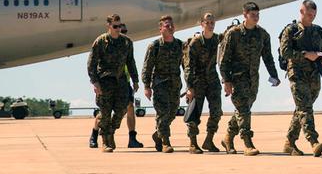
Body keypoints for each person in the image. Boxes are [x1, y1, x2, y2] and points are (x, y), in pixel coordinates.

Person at [218, 2, 281, 156]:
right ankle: (247, 143)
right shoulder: (234, 34)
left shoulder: (263, 35)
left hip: (253, 79)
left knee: (242, 110)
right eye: (253, 14)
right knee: (244, 110)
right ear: (244, 14)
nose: (256, 17)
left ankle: (228, 137)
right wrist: (226, 81)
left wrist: (274, 75)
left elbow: (268, 57)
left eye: (257, 14)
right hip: (237, 78)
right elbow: (224, 60)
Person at [279, 0, 322, 157]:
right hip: (297, 74)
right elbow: (285, 52)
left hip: (315, 74)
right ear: (302, 11)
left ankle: (289, 143)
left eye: (314, 15)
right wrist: (305, 55)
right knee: (305, 109)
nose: (312, 17)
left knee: (302, 109)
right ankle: (314, 142)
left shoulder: (318, 31)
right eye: (309, 14)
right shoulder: (291, 30)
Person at [86, 14, 139, 152]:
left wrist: (135, 80)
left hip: (121, 81)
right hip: (105, 81)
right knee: (105, 112)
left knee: (122, 109)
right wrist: (95, 82)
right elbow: (91, 63)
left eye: (120, 26)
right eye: (115, 26)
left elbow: (130, 62)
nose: (118, 29)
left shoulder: (127, 42)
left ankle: (110, 132)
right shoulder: (101, 41)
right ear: (109, 26)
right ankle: (105, 141)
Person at [142, 15, 184, 153]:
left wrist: (190, 84)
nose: (170, 27)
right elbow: (147, 67)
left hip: (175, 84)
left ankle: (158, 135)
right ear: (160, 28)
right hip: (160, 84)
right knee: (163, 113)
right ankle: (166, 142)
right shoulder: (154, 46)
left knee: (172, 113)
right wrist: (147, 86)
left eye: (172, 25)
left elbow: (186, 66)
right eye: (167, 25)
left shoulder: (179, 45)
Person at [183, 12, 224, 153]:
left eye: (212, 22)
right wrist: (190, 87)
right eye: (207, 22)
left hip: (212, 80)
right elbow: (188, 66)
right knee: (194, 112)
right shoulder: (195, 43)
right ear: (202, 24)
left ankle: (209, 140)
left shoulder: (217, 40)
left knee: (217, 111)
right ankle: (193, 143)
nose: (210, 25)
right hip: (197, 81)